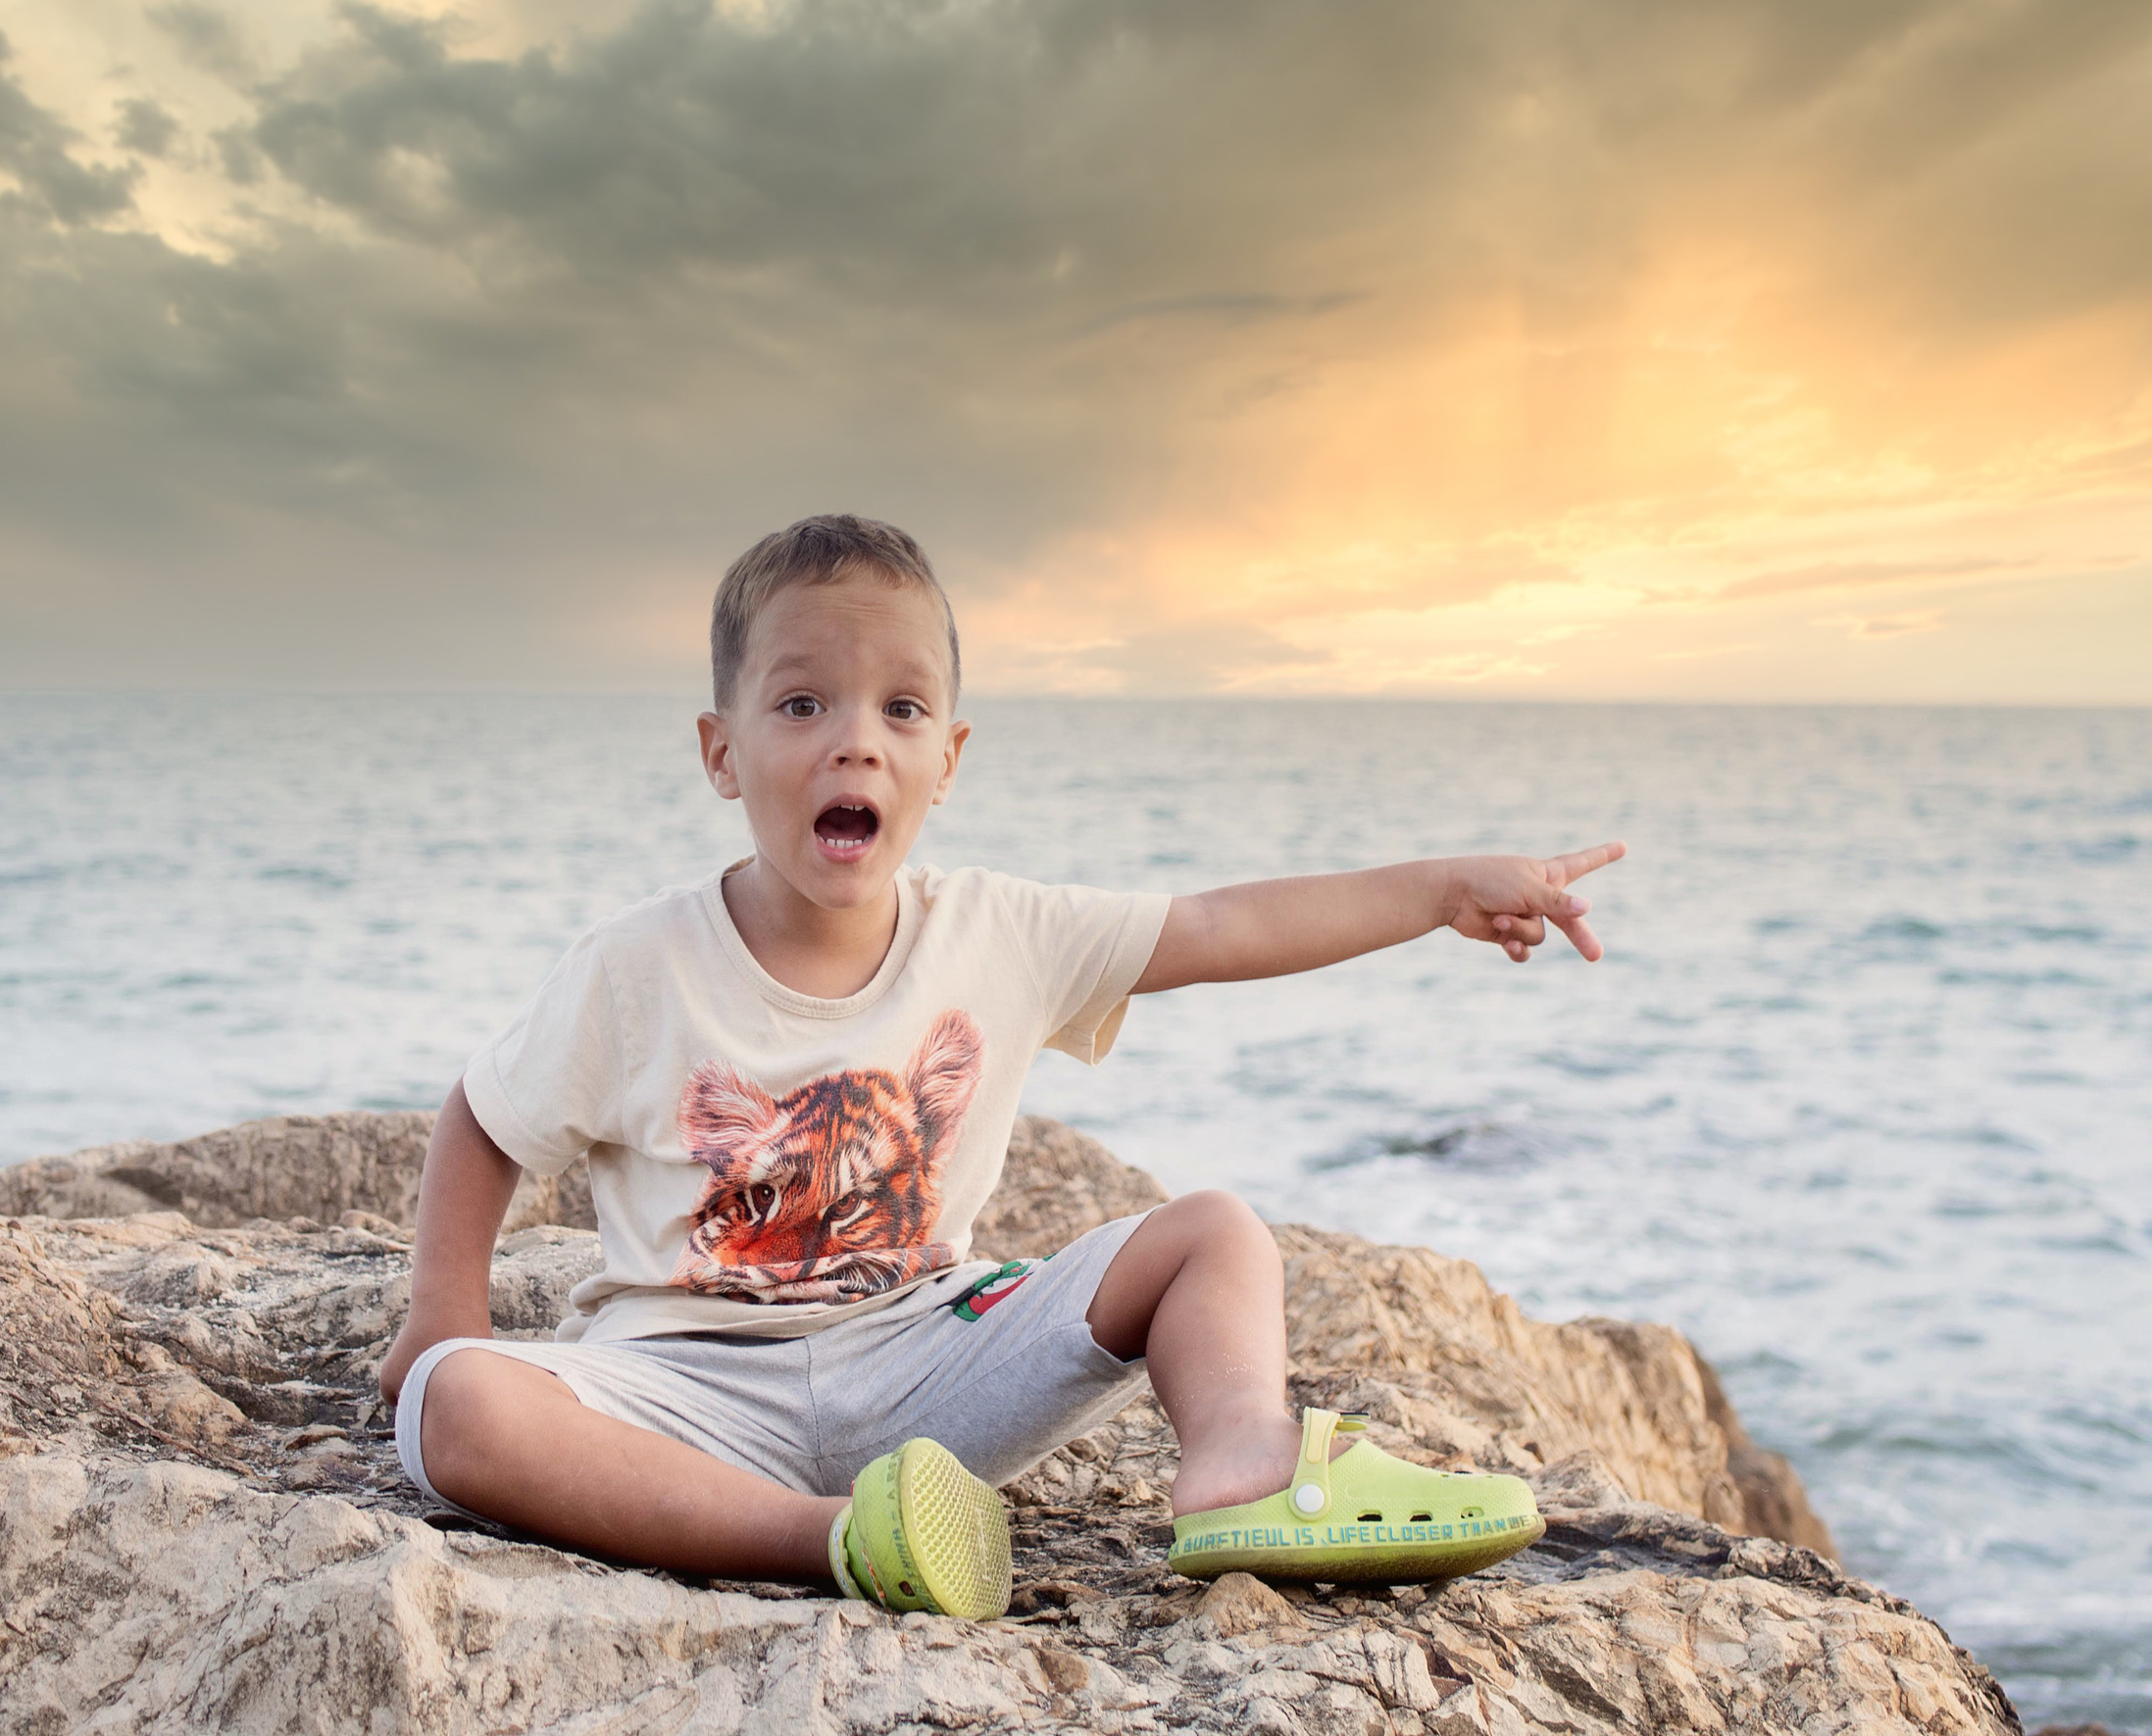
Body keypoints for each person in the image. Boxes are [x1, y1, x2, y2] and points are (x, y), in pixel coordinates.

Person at [378, 514, 1623, 1617]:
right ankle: (842, 1543)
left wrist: (1443, 888)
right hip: (687, 1391)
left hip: (929, 1363)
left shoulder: (1000, 930)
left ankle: (1245, 1467)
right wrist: (442, 1318)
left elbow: (1221, 926)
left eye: (900, 709)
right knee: (455, 1404)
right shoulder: (638, 964)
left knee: (1212, 1233)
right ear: (721, 752)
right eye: (802, 704)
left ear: (949, 758)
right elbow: (486, 1122)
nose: (855, 744)